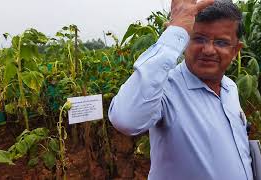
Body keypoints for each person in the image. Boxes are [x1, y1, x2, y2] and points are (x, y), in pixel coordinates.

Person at [108, 0, 253, 179]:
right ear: (184, 40)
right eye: (198, 38)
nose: (208, 50)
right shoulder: (165, 88)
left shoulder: (230, 87)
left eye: (221, 43)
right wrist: (176, 30)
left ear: (235, 50)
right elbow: (125, 119)